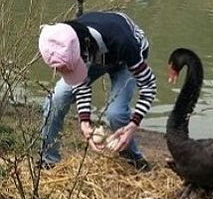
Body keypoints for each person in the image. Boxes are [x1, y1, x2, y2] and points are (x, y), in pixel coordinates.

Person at [38, 11, 156, 171]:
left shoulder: (124, 42)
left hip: (125, 59)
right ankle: (48, 160)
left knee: (117, 114)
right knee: (56, 99)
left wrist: (134, 124)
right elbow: (80, 82)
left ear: (84, 50)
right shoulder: (67, 38)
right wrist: (84, 122)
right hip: (95, 55)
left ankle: (134, 160)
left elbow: (149, 85)